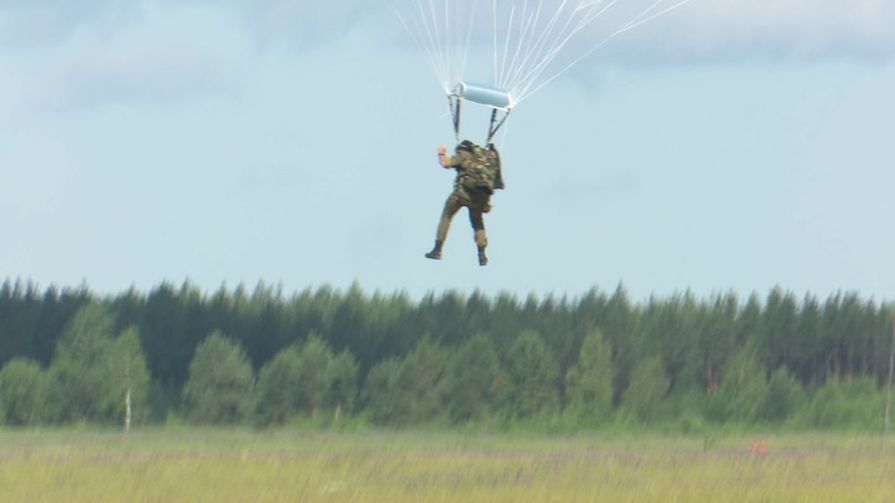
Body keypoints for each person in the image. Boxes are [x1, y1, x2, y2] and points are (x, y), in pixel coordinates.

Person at [425, 139, 504, 266]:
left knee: (447, 215)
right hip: (479, 198)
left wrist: (441, 153)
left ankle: (437, 249)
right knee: (477, 223)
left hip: (461, 195)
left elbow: (445, 163)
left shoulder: (463, 155)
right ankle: (482, 254)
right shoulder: (486, 159)